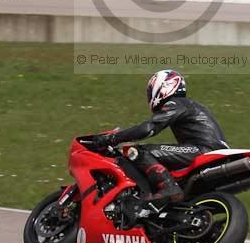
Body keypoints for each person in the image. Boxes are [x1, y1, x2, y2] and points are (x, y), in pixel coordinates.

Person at [89, 70, 229, 205]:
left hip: (203, 150)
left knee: (138, 152)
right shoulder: (190, 104)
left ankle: (168, 188)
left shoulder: (176, 103)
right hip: (210, 150)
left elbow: (148, 129)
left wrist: (112, 138)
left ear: (164, 86)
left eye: (151, 92)